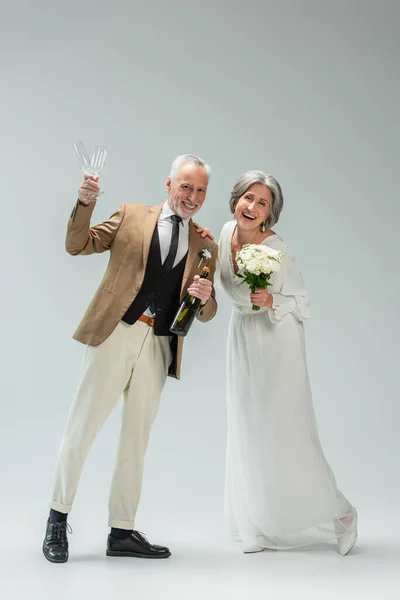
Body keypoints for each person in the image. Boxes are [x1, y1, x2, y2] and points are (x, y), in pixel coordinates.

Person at [42, 154, 217, 563]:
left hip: (158, 344)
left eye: (200, 190)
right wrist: (85, 202)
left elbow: (206, 309)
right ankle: (56, 519)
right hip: (115, 332)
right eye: (185, 186)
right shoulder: (131, 215)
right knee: (81, 427)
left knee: (136, 439)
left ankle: (121, 530)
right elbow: (77, 244)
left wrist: (206, 300)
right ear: (168, 184)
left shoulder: (204, 242)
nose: (191, 196)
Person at [217, 170, 357, 555]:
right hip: (243, 338)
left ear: (270, 214)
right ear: (236, 200)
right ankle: (255, 525)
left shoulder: (279, 248)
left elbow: (304, 303)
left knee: (286, 433)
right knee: (247, 426)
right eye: (249, 197)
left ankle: (342, 514)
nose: (253, 206)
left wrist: (272, 301)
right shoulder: (224, 235)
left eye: (263, 203)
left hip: (278, 343)